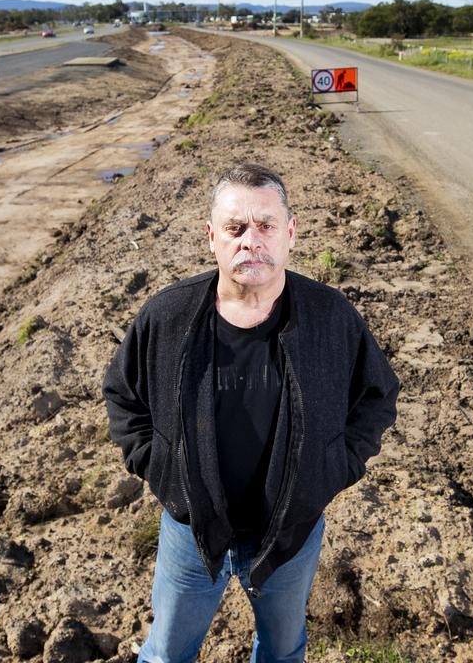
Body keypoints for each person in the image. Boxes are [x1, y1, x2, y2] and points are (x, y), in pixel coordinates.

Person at [104, 162, 399, 663]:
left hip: (288, 532)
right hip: (191, 527)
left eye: (265, 226)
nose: (250, 241)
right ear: (212, 236)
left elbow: (377, 397)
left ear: (289, 232)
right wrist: (162, 468)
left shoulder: (330, 318)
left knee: (283, 652)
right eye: (235, 228)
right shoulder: (168, 317)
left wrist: (331, 468)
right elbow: (123, 395)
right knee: (166, 653)